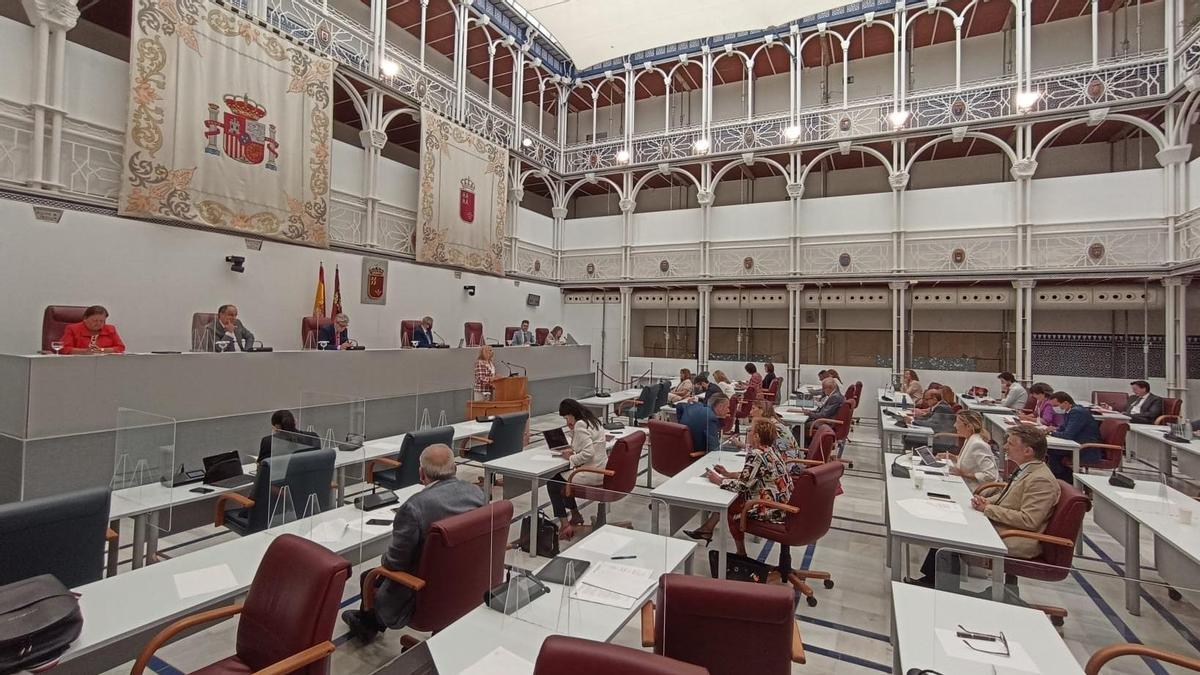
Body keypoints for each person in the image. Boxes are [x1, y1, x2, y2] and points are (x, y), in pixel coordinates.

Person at [342, 444, 485, 642]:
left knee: (370, 575)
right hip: (467, 580)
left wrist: (386, 556)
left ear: (421, 473)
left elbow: (393, 563)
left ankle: (368, 628)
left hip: (425, 591)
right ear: (455, 468)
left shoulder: (414, 507)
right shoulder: (477, 494)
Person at [910, 425, 1060, 591]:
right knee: (952, 522)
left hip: (1016, 537)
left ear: (1028, 451)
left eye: (1010, 443)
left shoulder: (1041, 480)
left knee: (951, 533)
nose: (1004, 447)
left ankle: (939, 587)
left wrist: (988, 509)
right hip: (1005, 526)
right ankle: (934, 581)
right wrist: (985, 501)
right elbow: (1008, 496)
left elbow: (1029, 520)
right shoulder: (1027, 470)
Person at [683, 418, 792, 553]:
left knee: (731, 507)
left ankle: (741, 552)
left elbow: (742, 486)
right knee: (733, 499)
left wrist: (719, 480)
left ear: (757, 436)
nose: (748, 432)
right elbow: (752, 474)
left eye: (750, 430)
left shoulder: (756, 454)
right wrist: (728, 474)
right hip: (782, 503)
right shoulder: (770, 451)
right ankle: (707, 529)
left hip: (771, 508)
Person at [545, 399, 608, 540]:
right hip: (601, 470)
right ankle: (575, 514)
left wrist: (571, 458)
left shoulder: (580, 424)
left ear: (572, 414)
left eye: (566, 417)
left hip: (591, 472)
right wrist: (572, 432)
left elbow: (588, 453)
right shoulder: (592, 421)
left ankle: (565, 524)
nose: (566, 420)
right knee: (563, 478)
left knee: (553, 484)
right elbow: (584, 445)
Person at [936, 411, 999, 492]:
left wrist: (965, 474)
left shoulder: (977, 444)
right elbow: (971, 462)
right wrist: (953, 457)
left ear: (968, 426)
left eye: (957, 422)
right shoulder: (969, 439)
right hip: (962, 482)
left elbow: (991, 475)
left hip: (972, 489)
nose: (954, 425)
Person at [1048, 391, 1100, 481]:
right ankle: (1060, 477)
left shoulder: (1077, 412)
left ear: (1066, 402)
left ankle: (1065, 478)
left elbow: (1068, 435)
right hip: (1077, 442)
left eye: (1056, 405)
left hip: (1085, 448)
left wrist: (1051, 433)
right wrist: (1053, 429)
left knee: (1051, 451)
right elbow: (1063, 428)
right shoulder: (1070, 411)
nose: (1055, 408)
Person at [58, 305, 125, 354]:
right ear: (85, 319)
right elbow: (63, 349)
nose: (98, 323)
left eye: (101, 321)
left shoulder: (110, 329)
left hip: (105, 363)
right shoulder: (72, 329)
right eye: (95, 320)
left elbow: (120, 347)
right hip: (79, 362)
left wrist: (102, 350)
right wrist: (85, 352)